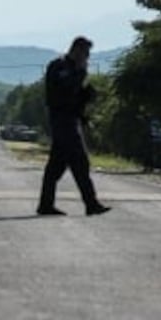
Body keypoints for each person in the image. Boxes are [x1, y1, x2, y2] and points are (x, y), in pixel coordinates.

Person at [37, 36, 110, 217]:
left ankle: (46, 204)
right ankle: (91, 203)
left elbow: (75, 98)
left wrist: (86, 97)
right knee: (80, 162)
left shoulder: (76, 70)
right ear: (77, 50)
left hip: (71, 120)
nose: (87, 58)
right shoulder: (59, 66)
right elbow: (63, 93)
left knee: (56, 166)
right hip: (62, 121)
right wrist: (79, 75)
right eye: (86, 53)